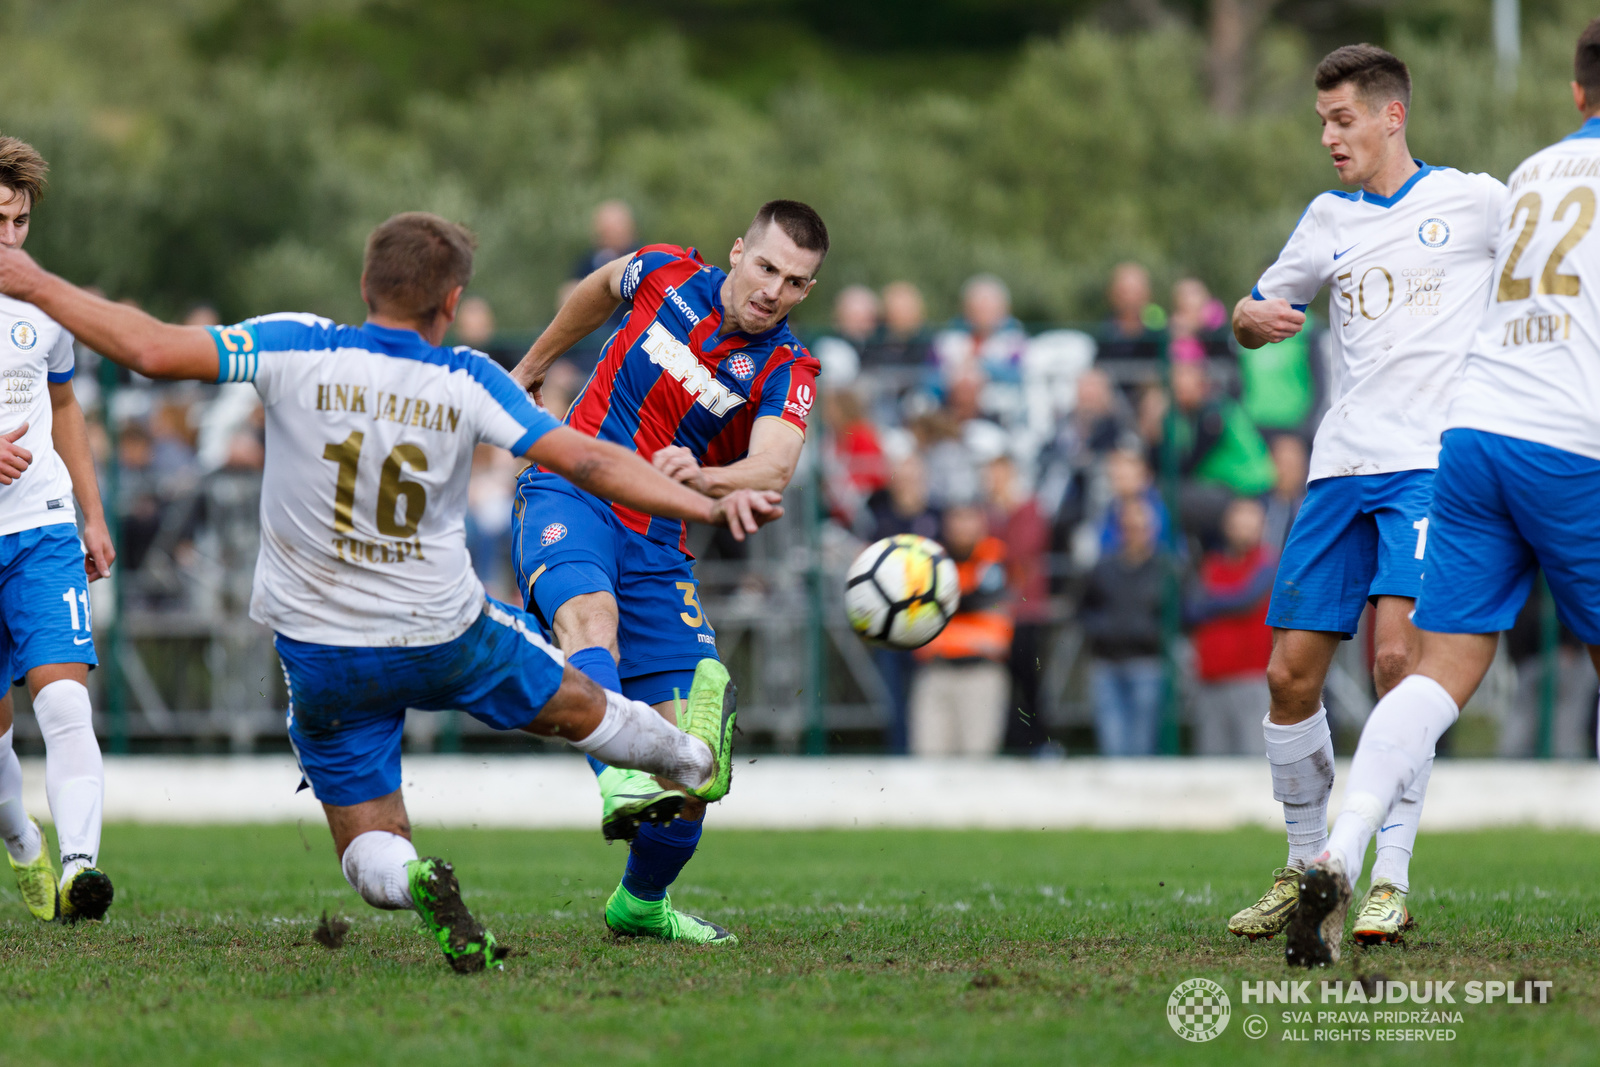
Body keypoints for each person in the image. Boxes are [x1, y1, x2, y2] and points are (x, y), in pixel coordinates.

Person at [0, 210, 781, 972]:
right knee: (583, 696)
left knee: (365, 839)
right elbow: (594, 464)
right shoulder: (467, 375)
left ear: (364, 282)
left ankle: (410, 878)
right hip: (444, 632)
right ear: (450, 304)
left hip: (320, 653)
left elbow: (148, 347)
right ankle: (687, 753)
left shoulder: (294, 343)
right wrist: (709, 500)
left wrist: (35, 282)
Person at [1290, 22, 1600, 966]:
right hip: (1568, 445)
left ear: (1579, 94)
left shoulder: (1540, 169)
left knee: (1435, 669)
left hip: (1470, 437)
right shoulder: (1494, 192)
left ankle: (1340, 852)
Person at [1226, 44, 1507, 955]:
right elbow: (1257, 305)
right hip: (1338, 467)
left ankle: (1390, 878)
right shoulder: (1326, 217)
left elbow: (1557, 260)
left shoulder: (1473, 200)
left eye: (1342, 119)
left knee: (1398, 664)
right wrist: (1247, 316)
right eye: (1321, 122)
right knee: (1287, 675)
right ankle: (1309, 868)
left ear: (1392, 116)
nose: (1328, 137)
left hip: (1430, 467)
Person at [508, 200, 825, 945]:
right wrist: (534, 362)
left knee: (693, 769)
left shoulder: (787, 366)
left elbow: (775, 462)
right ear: (738, 249)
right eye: (767, 266)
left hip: (657, 541)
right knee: (593, 618)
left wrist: (710, 478)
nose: (775, 289)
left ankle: (640, 903)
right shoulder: (664, 271)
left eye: (796, 282)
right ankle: (613, 762)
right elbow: (598, 286)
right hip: (572, 485)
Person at [0, 135, 117, 924]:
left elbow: (67, 405)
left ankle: (80, 868)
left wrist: (92, 510)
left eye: (21, 222)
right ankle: (21, 843)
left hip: (41, 527)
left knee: (65, 701)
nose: (10, 238)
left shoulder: (46, 302)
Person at [908, 504, 1012, 756]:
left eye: (969, 518)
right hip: (937, 671)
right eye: (956, 518)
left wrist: (940, 599)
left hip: (980, 673)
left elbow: (981, 598)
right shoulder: (931, 558)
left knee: (976, 765)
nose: (962, 526)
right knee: (927, 760)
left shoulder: (994, 556)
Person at [862, 453, 942, 753]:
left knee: (927, 695)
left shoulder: (936, 516)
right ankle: (899, 755)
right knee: (894, 699)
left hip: (928, 623)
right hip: (891, 625)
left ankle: (925, 754)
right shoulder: (882, 520)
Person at [1187, 497, 1277, 755]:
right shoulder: (1212, 564)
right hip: (1211, 681)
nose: (1243, 528)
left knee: (1253, 761)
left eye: (1250, 521)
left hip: (1252, 680)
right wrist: (1225, 601)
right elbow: (1190, 609)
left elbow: (1245, 599)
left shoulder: (1268, 564)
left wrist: (1211, 602)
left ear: (1263, 527)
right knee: (1211, 763)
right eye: (1238, 521)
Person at [1080, 498, 1167, 756]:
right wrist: (1100, 629)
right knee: (1112, 747)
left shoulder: (1165, 568)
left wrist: (1151, 633)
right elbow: (1082, 608)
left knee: (1142, 747)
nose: (1134, 533)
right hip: (1106, 662)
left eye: (1140, 527)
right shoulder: (1103, 568)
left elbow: (1179, 612)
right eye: (1128, 527)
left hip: (1147, 662)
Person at [984, 455, 1051, 753]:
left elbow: (1021, 549)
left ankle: (1037, 742)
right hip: (997, 614)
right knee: (1000, 685)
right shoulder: (988, 513)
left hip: (1025, 612)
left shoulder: (1027, 509)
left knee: (1029, 682)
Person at [1097, 263, 1163, 362]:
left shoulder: (1158, 327)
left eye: (1135, 292)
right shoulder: (1105, 329)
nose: (1129, 298)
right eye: (1124, 292)